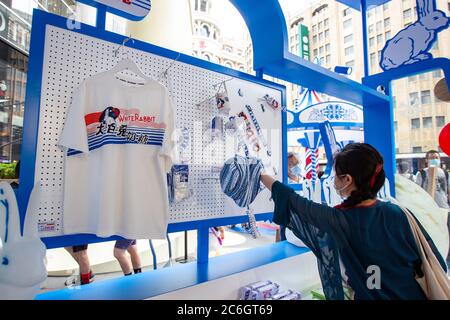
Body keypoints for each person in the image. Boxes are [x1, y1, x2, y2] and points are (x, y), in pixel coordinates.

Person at [260, 143, 447, 300]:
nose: (333, 180)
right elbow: (432, 258)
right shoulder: (398, 212)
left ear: (347, 180)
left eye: (336, 175)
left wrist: (260, 174)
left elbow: (294, 202)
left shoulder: (340, 219)